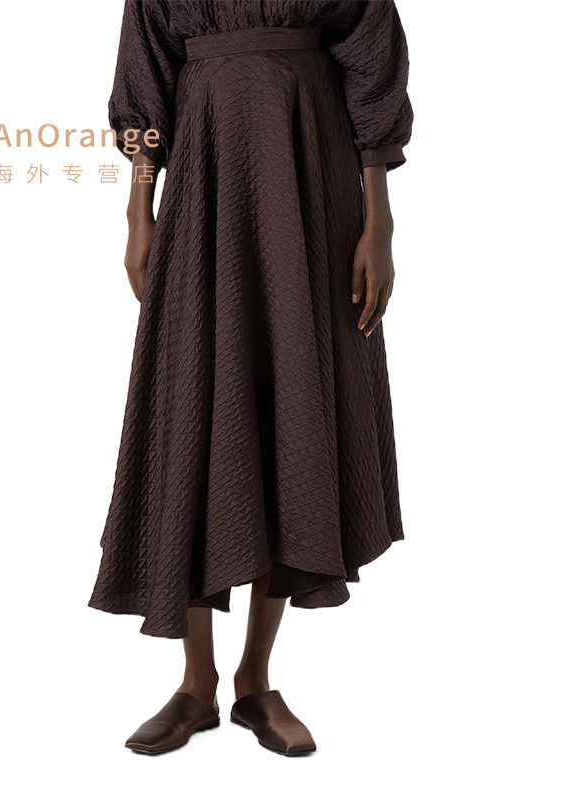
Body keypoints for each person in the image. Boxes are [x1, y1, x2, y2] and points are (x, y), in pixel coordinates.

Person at [89, 0, 413, 756]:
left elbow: (374, 69)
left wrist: (380, 222)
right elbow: (145, 78)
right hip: (204, 181)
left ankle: (254, 681)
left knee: (293, 400)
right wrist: (137, 211)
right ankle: (194, 683)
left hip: (313, 183)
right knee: (195, 401)